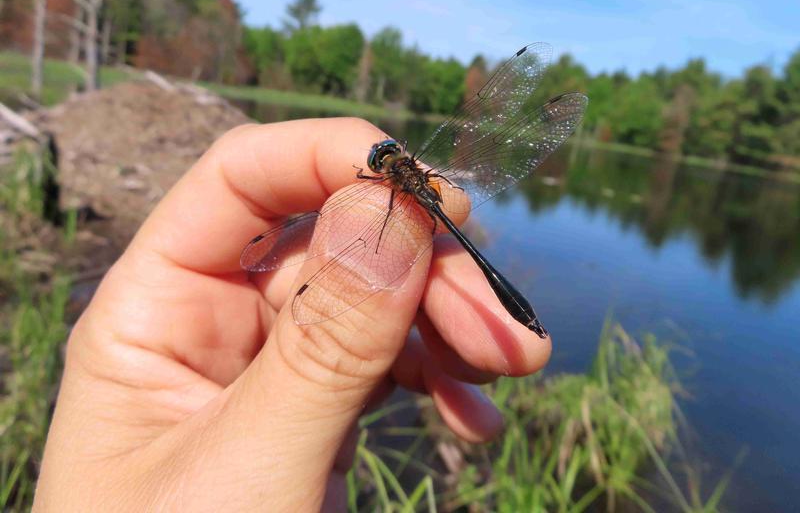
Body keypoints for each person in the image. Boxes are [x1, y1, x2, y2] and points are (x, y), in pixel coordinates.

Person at [33, 118, 551, 511]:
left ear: (384, 168)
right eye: (384, 157)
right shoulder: (410, 178)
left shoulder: (383, 188)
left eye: (383, 156)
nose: (383, 158)